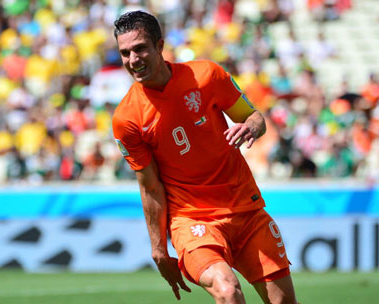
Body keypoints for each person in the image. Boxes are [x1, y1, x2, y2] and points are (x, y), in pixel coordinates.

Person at [112, 11, 298, 304]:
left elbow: (254, 117)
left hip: (245, 211)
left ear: (160, 45)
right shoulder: (127, 118)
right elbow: (150, 186)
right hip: (193, 219)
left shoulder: (207, 75)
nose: (133, 60)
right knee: (227, 290)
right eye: (125, 53)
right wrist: (159, 250)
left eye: (139, 48)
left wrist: (249, 127)